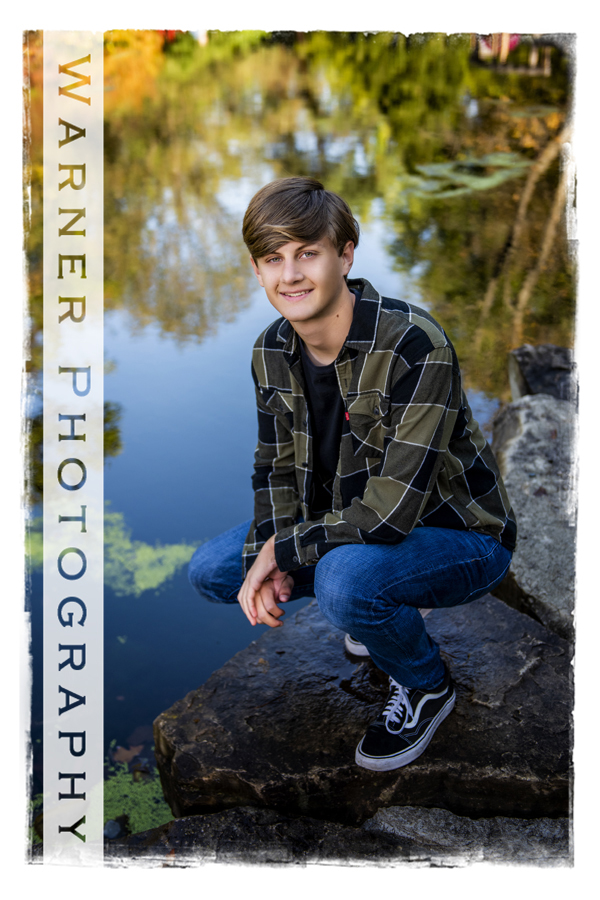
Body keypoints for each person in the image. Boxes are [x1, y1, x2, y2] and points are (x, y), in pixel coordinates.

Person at [189, 176, 516, 772]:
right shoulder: (270, 350)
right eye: (273, 259)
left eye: (307, 253)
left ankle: (425, 685)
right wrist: (268, 551)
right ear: (256, 271)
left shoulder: (416, 345)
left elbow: (391, 514)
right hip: (345, 521)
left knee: (343, 582)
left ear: (345, 255)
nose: (291, 275)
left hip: (461, 537)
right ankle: (378, 610)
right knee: (213, 570)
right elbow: (275, 468)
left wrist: (287, 550)